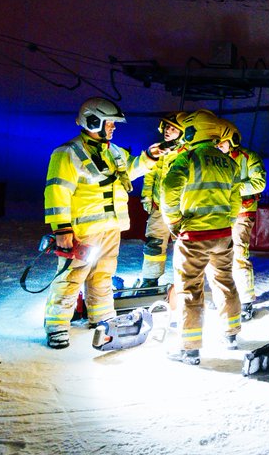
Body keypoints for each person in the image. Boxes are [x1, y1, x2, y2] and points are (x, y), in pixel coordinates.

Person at [43, 97, 163, 349]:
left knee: (103, 276)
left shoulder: (115, 151)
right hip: (82, 232)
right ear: (93, 121)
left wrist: (149, 157)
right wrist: (62, 229)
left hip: (110, 228)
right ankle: (57, 326)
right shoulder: (67, 153)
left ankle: (103, 319)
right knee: (71, 277)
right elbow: (57, 192)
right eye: (109, 122)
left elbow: (130, 170)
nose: (113, 127)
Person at [158, 125, 242, 365]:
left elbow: (169, 188)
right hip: (222, 234)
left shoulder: (188, 158)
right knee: (225, 281)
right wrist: (227, 222)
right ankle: (231, 334)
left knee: (190, 289)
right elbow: (236, 199)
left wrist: (174, 221)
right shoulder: (229, 162)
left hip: (193, 236)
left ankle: (190, 349)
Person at [216, 120, 267, 320]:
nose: (218, 145)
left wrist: (232, 189)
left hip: (242, 212)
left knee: (238, 253)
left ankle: (245, 301)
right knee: (218, 255)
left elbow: (259, 183)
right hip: (219, 213)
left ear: (233, 140)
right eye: (215, 142)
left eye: (221, 141)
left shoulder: (249, 157)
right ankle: (224, 296)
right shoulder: (213, 159)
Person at [134, 112, 186, 289]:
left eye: (173, 129)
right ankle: (150, 281)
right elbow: (150, 174)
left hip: (180, 212)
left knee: (184, 246)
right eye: (167, 127)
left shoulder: (188, 154)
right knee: (153, 245)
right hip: (159, 208)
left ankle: (186, 282)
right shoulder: (160, 150)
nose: (167, 131)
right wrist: (147, 196)